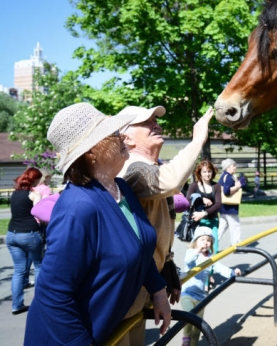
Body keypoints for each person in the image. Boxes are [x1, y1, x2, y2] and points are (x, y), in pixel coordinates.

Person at [24, 103, 171, 345]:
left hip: (105, 330)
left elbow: (140, 249)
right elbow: (53, 295)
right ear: (91, 152)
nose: (123, 134)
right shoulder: (78, 207)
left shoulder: (121, 188)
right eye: (114, 133)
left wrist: (158, 292)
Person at [116, 105, 214, 345]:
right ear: (125, 137)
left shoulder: (151, 165)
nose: (156, 125)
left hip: (146, 278)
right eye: (146, 122)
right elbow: (169, 180)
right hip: (127, 285)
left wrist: (166, 264)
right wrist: (197, 140)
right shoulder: (132, 168)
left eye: (155, 121)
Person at [180, 227, 241, 346]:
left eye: (208, 240)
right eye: (202, 239)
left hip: (201, 297)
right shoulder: (191, 253)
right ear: (195, 241)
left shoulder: (210, 258)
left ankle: (194, 344)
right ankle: (186, 340)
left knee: (198, 325)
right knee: (188, 318)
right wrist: (197, 251)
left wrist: (232, 272)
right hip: (187, 293)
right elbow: (188, 261)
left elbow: (220, 268)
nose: (205, 242)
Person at [6, 167, 43, 315]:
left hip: (11, 234)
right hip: (29, 234)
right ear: (35, 179)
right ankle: (41, 303)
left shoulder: (14, 194)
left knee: (19, 270)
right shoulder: (34, 194)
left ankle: (17, 305)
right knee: (39, 265)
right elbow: (39, 213)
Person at [186, 160, 222, 254]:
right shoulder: (194, 186)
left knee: (214, 249)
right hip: (198, 222)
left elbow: (218, 204)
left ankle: (212, 268)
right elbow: (188, 201)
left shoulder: (216, 186)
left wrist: (204, 213)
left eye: (209, 171)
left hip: (212, 221)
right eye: (204, 172)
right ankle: (198, 268)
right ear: (200, 173)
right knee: (198, 249)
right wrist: (201, 199)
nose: (207, 174)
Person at [218, 158, 247, 246]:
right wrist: (238, 186)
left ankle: (212, 244)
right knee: (235, 226)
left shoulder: (223, 176)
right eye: (233, 166)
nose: (235, 167)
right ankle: (236, 245)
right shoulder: (229, 177)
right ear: (228, 167)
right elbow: (227, 192)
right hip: (230, 207)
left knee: (221, 228)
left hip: (223, 207)